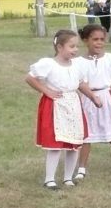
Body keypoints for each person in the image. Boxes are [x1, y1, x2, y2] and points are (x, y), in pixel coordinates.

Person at [25, 29, 103, 190]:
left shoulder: (77, 66)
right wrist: (46, 91)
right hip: (56, 105)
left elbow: (81, 84)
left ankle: (68, 178)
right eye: (71, 46)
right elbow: (30, 78)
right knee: (55, 144)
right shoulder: (49, 64)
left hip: (73, 105)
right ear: (60, 47)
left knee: (74, 143)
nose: (75, 50)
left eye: (76, 46)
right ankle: (49, 179)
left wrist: (93, 97)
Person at [73, 24, 111, 179]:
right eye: (95, 39)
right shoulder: (78, 62)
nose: (99, 43)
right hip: (88, 99)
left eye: (102, 39)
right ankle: (81, 169)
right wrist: (91, 97)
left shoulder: (109, 58)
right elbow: (79, 83)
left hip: (106, 99)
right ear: (85, 40)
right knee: (86, 135)